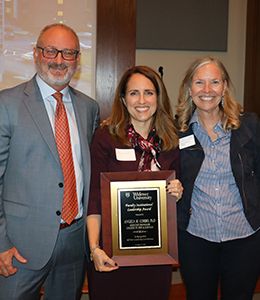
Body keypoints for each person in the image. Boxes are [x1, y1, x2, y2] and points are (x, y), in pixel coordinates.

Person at [0, 23, 99, 300]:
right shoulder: (6, 104)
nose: (58, 60)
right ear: (36, 53)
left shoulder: (88, 108)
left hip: (74, 240)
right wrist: (0, 243)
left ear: (77, 60)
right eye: (51, 51)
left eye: (68, 53)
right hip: (19, 246)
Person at [86, 65, 183, 300]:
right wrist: (94, 248)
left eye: (149, 92)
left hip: (155, 253)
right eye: (133, 93)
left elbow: (176, 197)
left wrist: (178, 191)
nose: (142, 100)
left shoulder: (170, 141)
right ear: (123, 98)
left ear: (158, 98)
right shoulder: (106, 137)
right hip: (111, 251)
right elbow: (94, 197)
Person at [176, 56, 260, 300]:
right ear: (189, 89)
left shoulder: (249, 126)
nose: (207, 90)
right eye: (199, 82)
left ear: (224, 87)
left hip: (244, 237)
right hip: (196, 239)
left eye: (214, 82)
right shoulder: (177, 132)